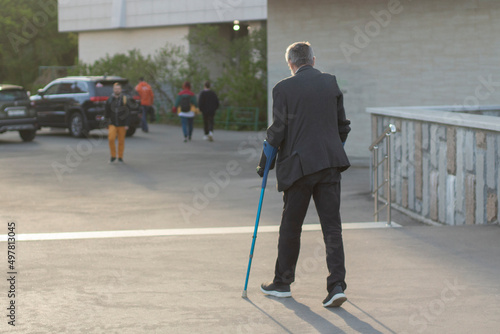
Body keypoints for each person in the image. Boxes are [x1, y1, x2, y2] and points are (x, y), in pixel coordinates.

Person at [258, 42, 351, 308]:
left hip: (299, 168)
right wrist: (332, 149)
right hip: (329, 165)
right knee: (332, 227)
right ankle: (336, 286)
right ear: (312, 59)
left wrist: (265, 162)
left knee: (291, 226)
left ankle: (283, 283)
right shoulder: (331, 83)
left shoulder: (283, 88)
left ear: (291, 63)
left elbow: (278, 131)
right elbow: (342, 126)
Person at [105, 83, 136, 163]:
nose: (117, 90)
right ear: (113, 89)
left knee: (121, 141)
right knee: (111, 139)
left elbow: (128, 113)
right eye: (115, 89)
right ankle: (113, 156)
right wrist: (106, 123)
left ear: (121, 90)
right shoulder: (110, 100)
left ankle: (120, 157)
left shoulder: (125, 99)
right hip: (112, 123)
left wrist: (127, 124)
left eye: (118, 89)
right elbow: (106, 112)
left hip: (122, 124)